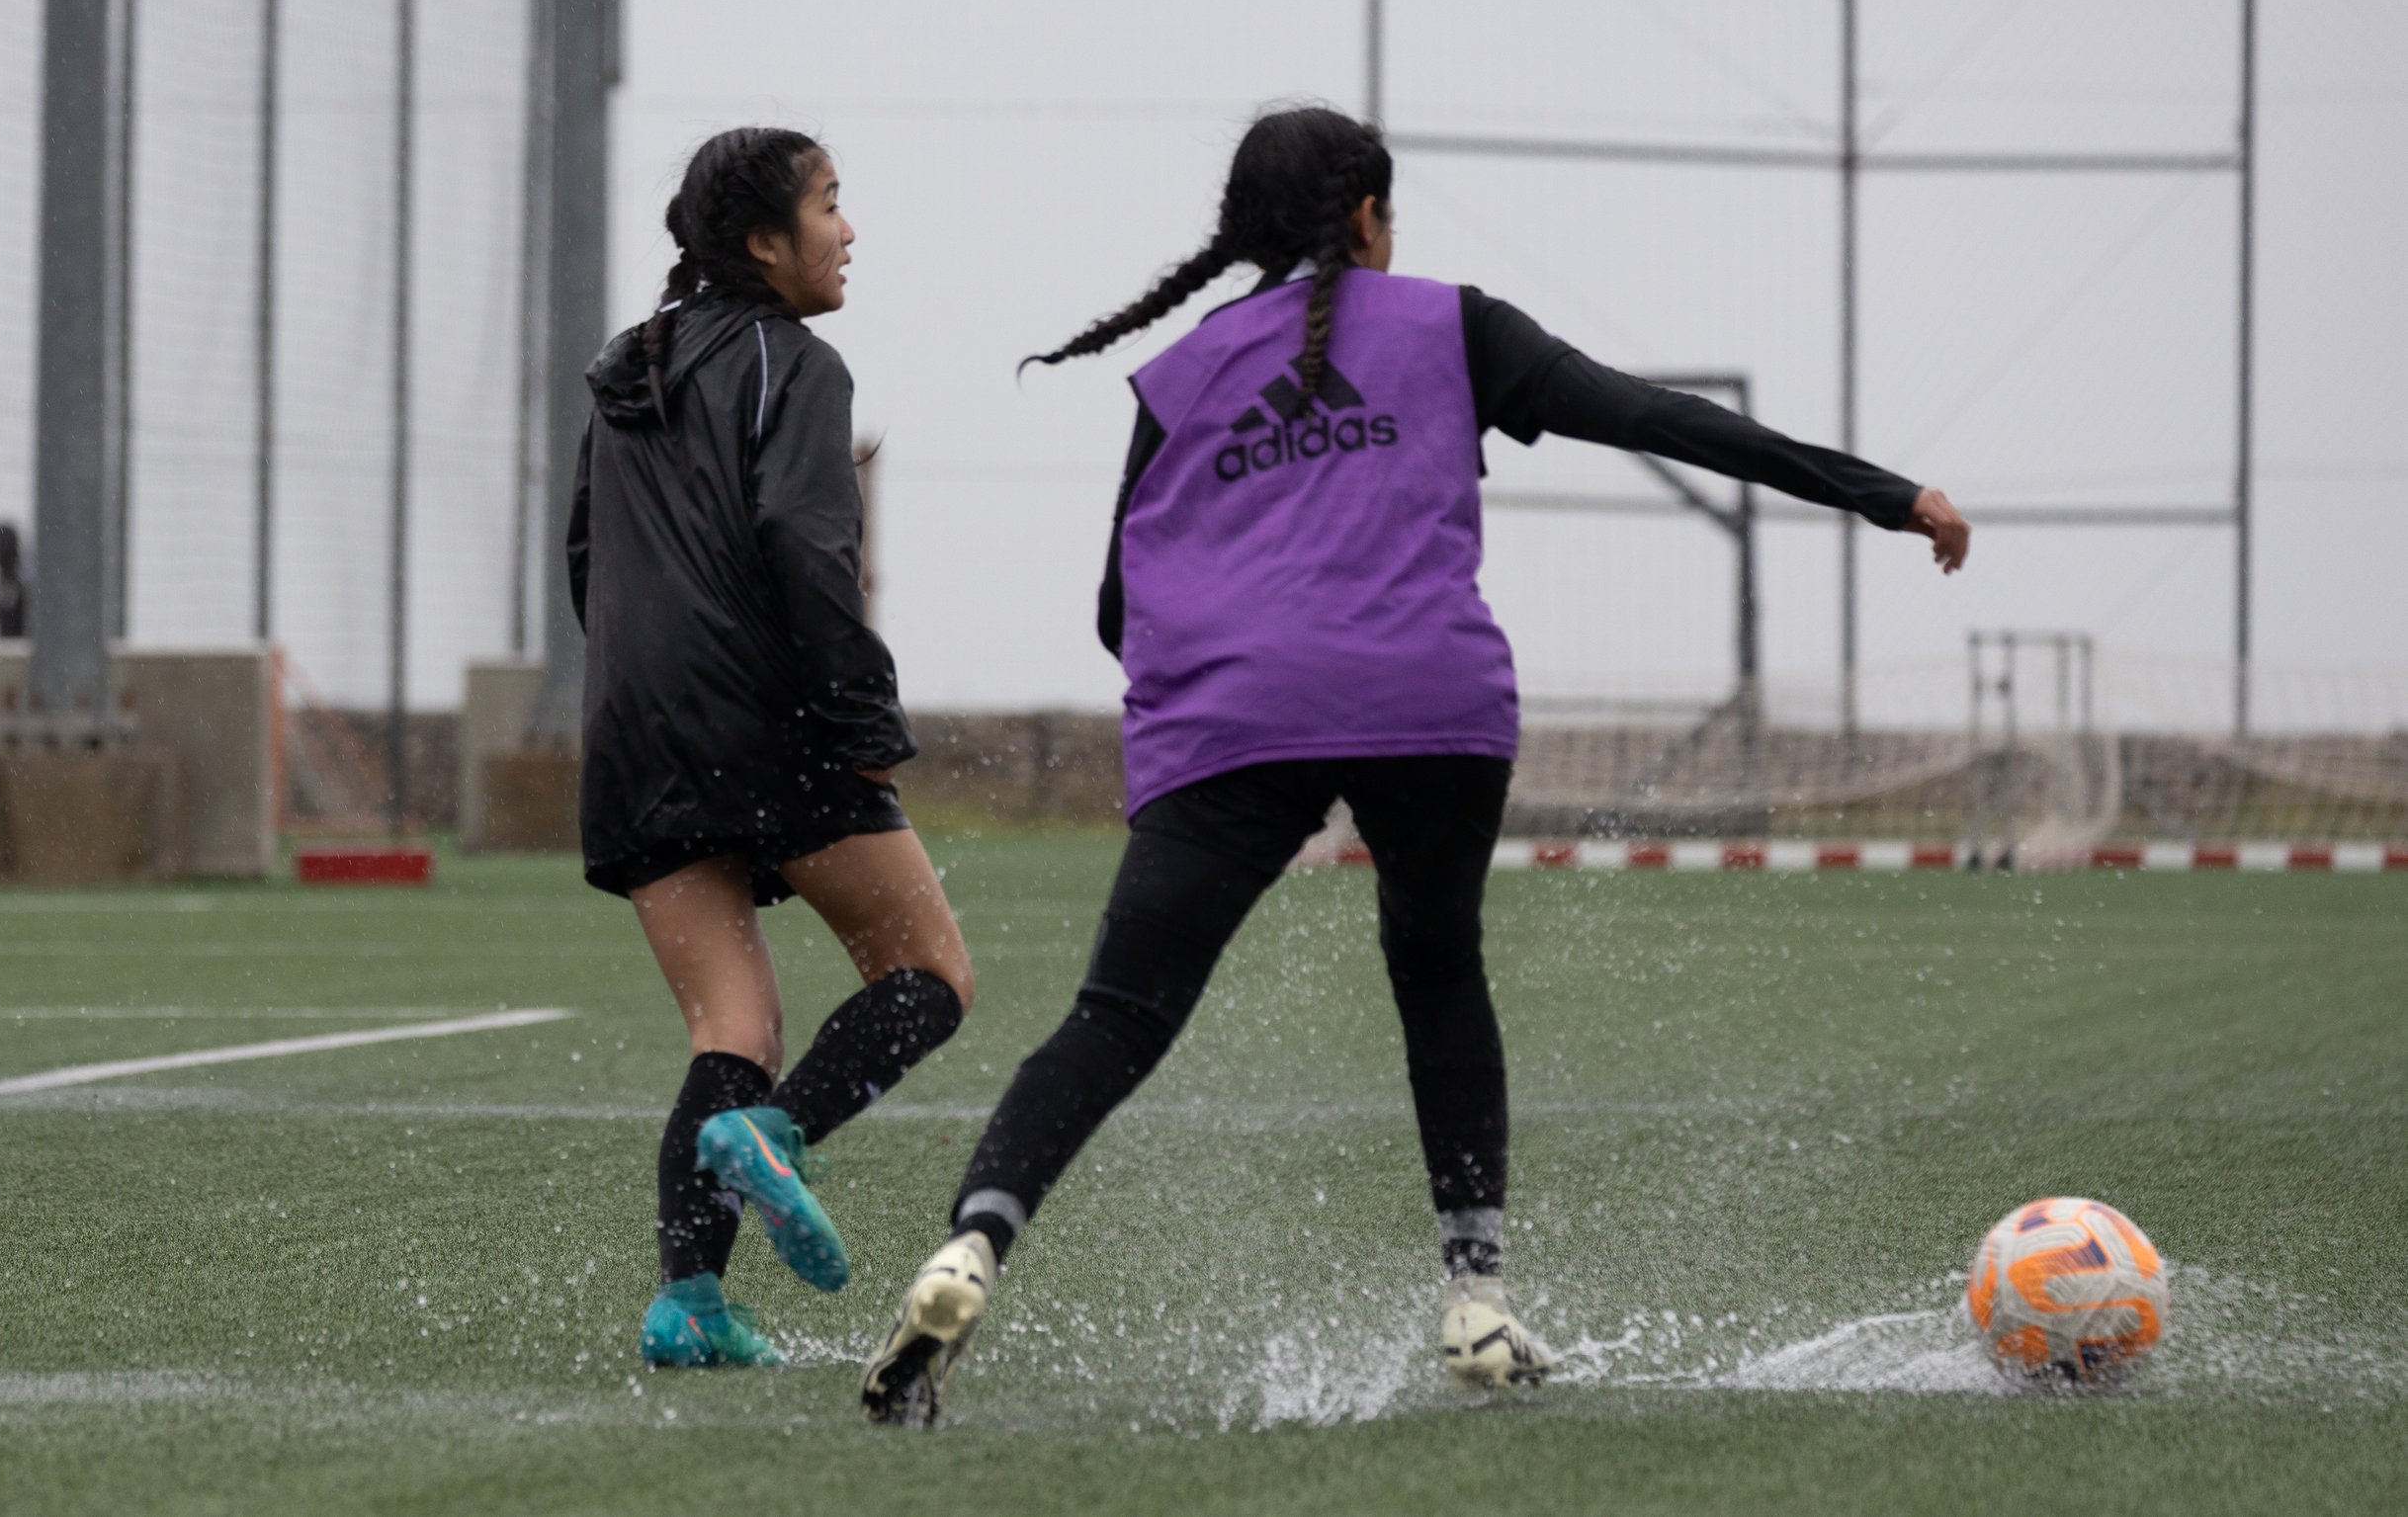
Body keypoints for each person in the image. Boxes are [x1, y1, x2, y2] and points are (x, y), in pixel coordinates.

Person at [859, 104, 1969, 1423]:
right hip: (1429, 699)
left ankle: (971, 1242)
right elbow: (1654, 417)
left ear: (1242, 237)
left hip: (1230, 719)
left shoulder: (1179, 377)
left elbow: (1117, 601)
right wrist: (1884, 492)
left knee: (1116, 1016)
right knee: (1437, 968)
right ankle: (1478, 1293)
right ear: (1370, 217)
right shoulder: (1455, 324)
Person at [569, 126, 975, 1369]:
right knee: (928, 975)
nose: (849, 231)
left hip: (632, 735)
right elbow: (808, 551)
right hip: (766, 720)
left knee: (728, 1020)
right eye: (830, 205)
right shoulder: (796, 361)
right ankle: (774, 1134)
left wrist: (654, 696)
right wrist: (863, 726)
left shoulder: (625, 372)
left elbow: (590, 562)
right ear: (762, 243)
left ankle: (689, 1303)